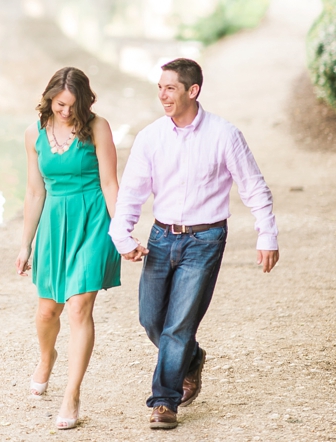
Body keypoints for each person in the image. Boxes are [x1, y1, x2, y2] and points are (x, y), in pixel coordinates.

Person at [109, 58, 279, 430]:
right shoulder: (150, 136)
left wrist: (267, 234)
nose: (162, 95)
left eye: (170, 88)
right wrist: (121, 235)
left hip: (206, 239)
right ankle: (192, 358)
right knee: (150, 318)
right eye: (159, 87)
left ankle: (164, 401)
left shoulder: (224, 134)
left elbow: (253, 187)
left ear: (192, 90)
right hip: (161, 235)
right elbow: (132, 192)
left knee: (178, 325)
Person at [15, 67, 121, 431]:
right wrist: (25, 245)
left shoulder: (98, 128)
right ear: (49, 99)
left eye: (73, 106)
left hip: (93, 220)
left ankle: (71, 394)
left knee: (79, 307)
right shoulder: (34, 134)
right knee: (47, 312)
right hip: (54, 223)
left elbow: (109, 183)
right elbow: (34, 191)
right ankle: (47, 357)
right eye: (60, 104)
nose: (65, 111)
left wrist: (121, 231)